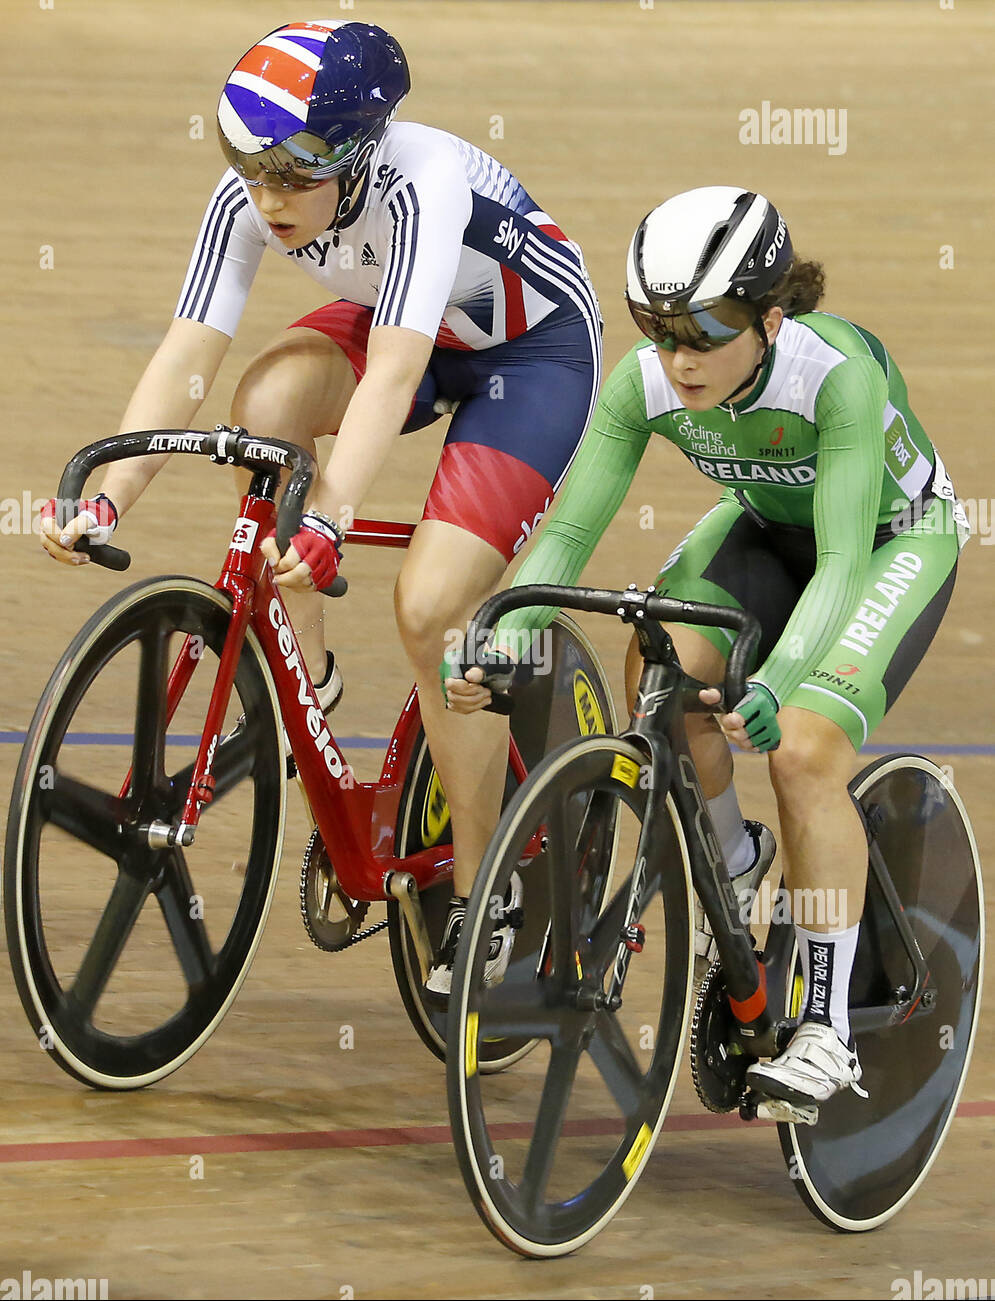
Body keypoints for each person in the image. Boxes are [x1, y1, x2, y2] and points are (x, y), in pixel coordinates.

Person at [39, 19, 602, 996]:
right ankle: (312, 670)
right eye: (250, 172)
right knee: (262, 408)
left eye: (294, 179)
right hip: (404, 317)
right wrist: (109, 499)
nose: (268, 199)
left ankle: (489, 890)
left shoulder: (422, 183)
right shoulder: (252, 193)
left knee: (431, 610)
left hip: (529, 355)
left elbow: (392, 377)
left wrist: (328, 518)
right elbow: (186, 356)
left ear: (360, 152)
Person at [445, 185, 968, 1114]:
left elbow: (843, 560)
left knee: (802, 747)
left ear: (770, 319)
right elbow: (564, 540)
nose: (677, 360)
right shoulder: (644, 381)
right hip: (770, 529)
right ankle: (731, 860)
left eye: (700, 334)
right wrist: (496, 634)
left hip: (889, 541)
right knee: (658, 670)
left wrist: (775, 680)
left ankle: (826, 1030)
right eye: (657, 329)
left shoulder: (835, 374)